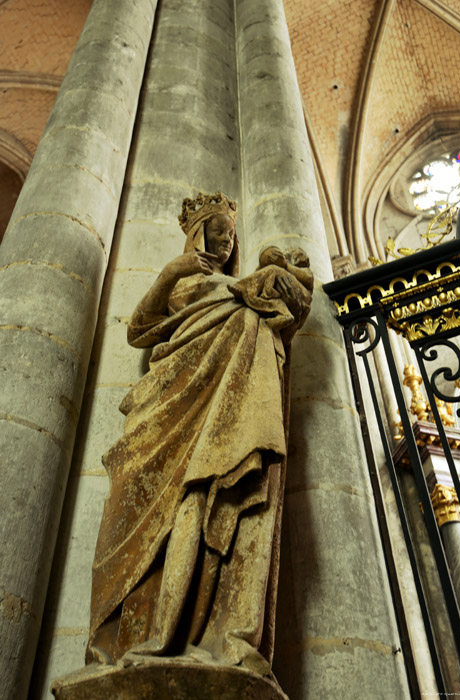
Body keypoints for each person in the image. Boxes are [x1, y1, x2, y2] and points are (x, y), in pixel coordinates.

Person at [86, 192, 312, 674]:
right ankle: (129, 635)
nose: (228, 243)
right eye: (220, 233)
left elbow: (278, 304)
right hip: (168, 397)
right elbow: (140, 328)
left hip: (222, 402)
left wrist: (276, 279)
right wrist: (173, 271)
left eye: (232, 235)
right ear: (200, 232)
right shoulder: (186, 276)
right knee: (129, 514)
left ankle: (203, 635)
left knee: (209, 503)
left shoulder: (240, 290)